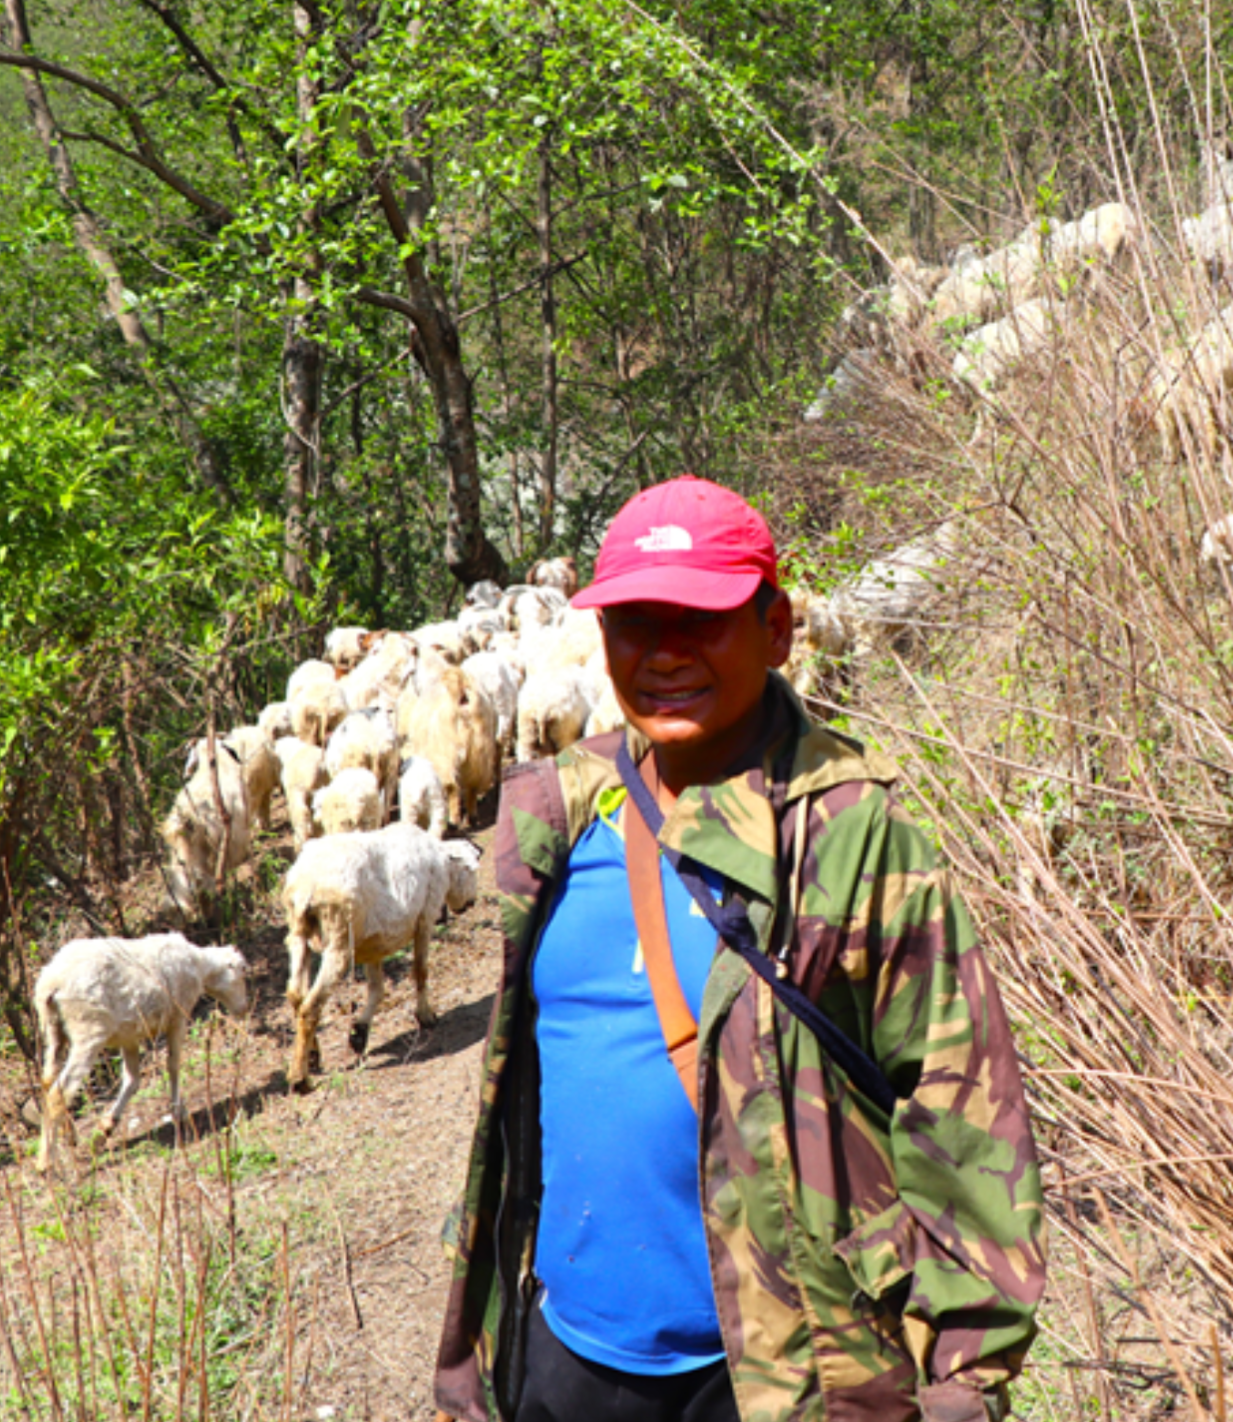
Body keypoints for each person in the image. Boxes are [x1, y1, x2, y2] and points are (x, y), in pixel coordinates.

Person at [434, 477, 1045, 1422]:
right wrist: (476, 1340)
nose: (666, 651)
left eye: (702, 617)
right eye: (638, 620)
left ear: (776, 628)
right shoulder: (557, 817)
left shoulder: (849, 835)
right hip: (569, 1353)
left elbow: (959, 1097)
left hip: (782, 1366)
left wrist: (967, 1370)